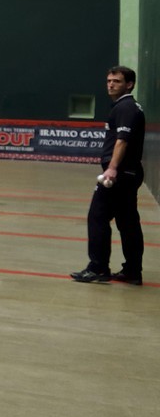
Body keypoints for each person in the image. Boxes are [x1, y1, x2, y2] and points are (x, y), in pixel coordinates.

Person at [71, 66, 146, 284]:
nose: (111, 85)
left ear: (129, 85)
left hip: (119, 174)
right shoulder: (128, 107)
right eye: (109, 81)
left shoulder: (125, 107)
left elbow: (122, 141)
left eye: (117, 81)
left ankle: (98, 268)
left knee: (97, 216)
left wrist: (112, 169)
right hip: (129, 173)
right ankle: (132, 271)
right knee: (128, 222)